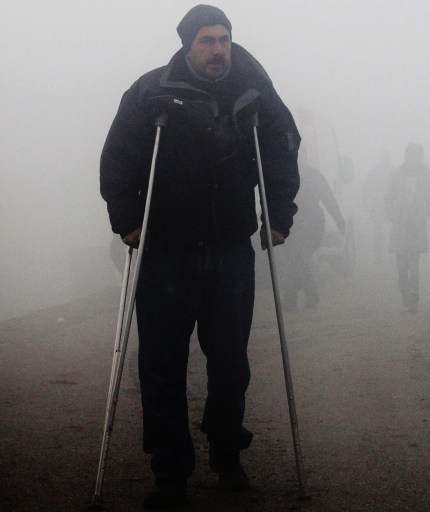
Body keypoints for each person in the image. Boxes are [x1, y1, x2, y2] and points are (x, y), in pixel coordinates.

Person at [99, 5, 300, 508]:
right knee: (162, 364)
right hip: (165, 248)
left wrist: (278, 215)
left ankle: (227, 453)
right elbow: (118, 156)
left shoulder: (254, 93)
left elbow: (281, 149)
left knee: (231, 362)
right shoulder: (151, 93)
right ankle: (171, 470)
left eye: (225, 39)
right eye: (208, 41)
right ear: (188, 45)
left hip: (230, 247)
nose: (218, 50)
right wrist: (128, 219)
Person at [283, 149, 346, 310]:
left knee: (300, 260)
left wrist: (339, 220)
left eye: (301, 155)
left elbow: (328, 198)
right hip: (292, 225)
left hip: (312, 225)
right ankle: (310, 297)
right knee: (297, 261)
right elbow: (274, 199)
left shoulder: (314, 176)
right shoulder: (284, 174)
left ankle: (292, 298)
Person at [385, 143, 430, 312]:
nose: (413, 161)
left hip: (416, 226)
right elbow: (388, 197)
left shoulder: (426, 177)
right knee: (401, 266)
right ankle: (405, 293)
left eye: (416, 157)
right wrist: (392, 213)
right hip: (400, 225)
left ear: (420, 159)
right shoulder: (397, 175)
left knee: (414, 264)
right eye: (410, 157)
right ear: (406, 158)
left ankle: (413, 297)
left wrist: (424, 213)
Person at [361, 150, 395, 265]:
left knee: (391, 232)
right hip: (379, 207)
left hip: (390, 207)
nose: (385, 160)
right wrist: (366, 203)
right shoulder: (375, 173)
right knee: (378, 232)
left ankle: (390, 256)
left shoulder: (394, 172)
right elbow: (366, 189)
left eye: (386, 158)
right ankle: (378, 256)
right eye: (384, 158)